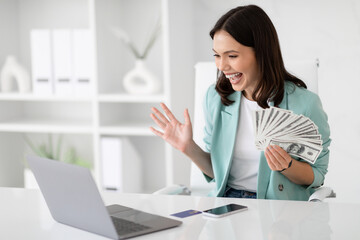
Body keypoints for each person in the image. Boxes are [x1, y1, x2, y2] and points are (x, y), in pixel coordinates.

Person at [150, 5, 331, 200]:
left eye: (232, 56)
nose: (222, 66)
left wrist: (287, 166)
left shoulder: (304, 104)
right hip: (227, 202)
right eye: (217, 55)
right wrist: (188, 147)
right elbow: (217, 174)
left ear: (261, 52)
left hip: (275, 210)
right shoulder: (215, 98)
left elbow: (317, 175)